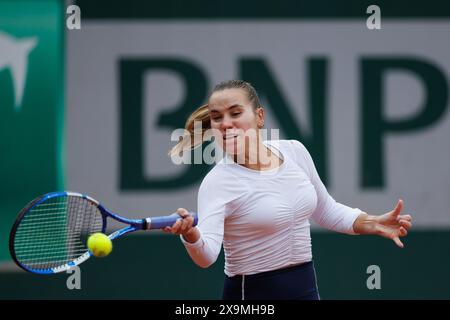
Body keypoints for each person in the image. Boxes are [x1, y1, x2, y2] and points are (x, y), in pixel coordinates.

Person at [163, 80, 412, 300]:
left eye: (235, 113)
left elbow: (326, 210)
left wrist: (371, 222)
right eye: (217, 117)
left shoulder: (294, 151)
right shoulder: (218, 182)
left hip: (305, 290)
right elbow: (206, 256)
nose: (225, 123)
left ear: (259, 117)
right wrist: (192, 235)